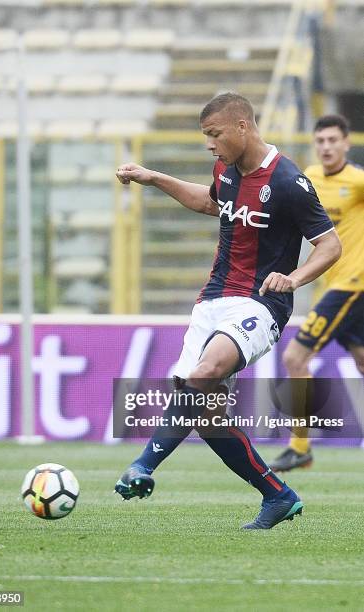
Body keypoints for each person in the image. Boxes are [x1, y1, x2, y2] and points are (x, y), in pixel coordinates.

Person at [114, 93, 341, 529]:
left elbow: (330, 245)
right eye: (206, 137)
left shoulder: (290, 181)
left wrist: (293, 279)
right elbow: (208, 202)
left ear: (242, 127)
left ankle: (142, 466)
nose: (209, 146)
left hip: (261, 303)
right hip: (212, 299)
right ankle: (277, 495)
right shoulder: (226, 169)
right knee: (206, 410)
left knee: (202, 375)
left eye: (214, 135)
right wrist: (152, 177)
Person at [271, 114, 364, 472]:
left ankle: (300, 447)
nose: (326, 147)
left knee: (295, 358)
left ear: (346, 144)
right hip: (334, 285)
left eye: (332, 140)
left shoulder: (357, 182)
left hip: (352, 287)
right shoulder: (307, 179)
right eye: (320, 141)